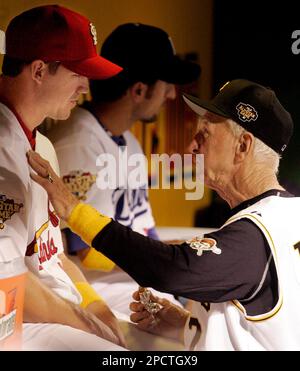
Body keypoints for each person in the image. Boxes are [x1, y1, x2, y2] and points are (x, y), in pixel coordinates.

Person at [27, 78, 300, 351]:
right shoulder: (288, 213)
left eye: (204, 135)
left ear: (242, 147)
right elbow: (254, 329)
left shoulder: (256, 234)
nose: (192, 147)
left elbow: (173, 270)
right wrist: (183, 324)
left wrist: (74, 211)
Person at [48, 23, 201, 315]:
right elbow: (86, 251)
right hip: (101, 289)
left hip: (135, 278)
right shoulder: (78, 144)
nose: (170, 96)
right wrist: (164, 260)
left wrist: (174, 255)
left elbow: (145, 228)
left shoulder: (128, 140)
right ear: (140, 90)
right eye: (167, 85)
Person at [0, 5, 127, 350]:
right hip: (17, 321)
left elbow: (53, 255)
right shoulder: (2, 148)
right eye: (77, 73)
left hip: (53, 311)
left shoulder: (40, 143)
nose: (86, 87)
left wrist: (93, 304)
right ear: (39, 70)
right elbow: (6, 281)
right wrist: (87, 323)